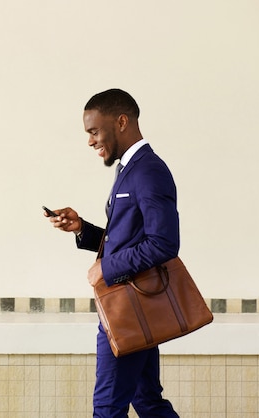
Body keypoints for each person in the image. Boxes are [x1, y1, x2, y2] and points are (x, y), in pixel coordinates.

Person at [45, 88, 180, 417]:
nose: (90, 141)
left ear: (121, 121)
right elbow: (130, 238)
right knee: (148, 402)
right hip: (132, 307)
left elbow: (164, 243)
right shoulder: (128, 170)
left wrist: (106, 267)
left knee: (107, 408)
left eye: (94, 131)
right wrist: (81, 229)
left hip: (127, 311)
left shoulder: (148, 171)